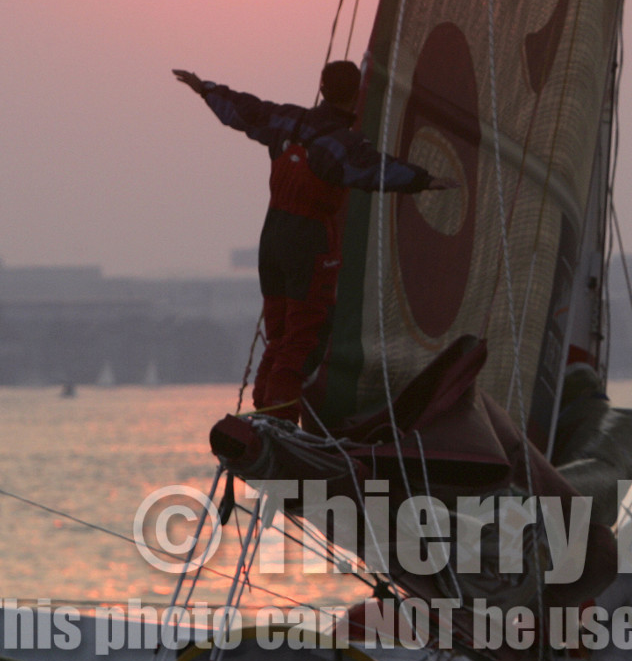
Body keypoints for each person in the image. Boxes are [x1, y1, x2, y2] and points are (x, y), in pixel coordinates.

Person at [174, 62, 448, 425]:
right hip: (309, 241)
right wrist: (425, 180)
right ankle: (280, 420)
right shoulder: (344, 145)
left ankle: (263, 415)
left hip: (272, 237)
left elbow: (244, 110)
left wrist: (204, 88)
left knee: (279, 335)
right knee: (304, 336)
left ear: (321, 86)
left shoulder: (288, 121)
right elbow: (376, 170)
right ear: (357, 94)